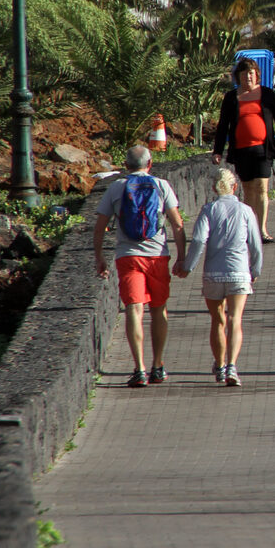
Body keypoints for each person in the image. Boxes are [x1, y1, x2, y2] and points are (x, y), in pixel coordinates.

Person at [93, 144, 187, 388]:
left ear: (126, 166)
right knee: (159, 309)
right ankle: (158, 365)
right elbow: (177, 225)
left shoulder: (116, 187)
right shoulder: (162, 185)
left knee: (134, 310)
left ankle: (140, 369)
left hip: (128, 256)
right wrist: (182, 257)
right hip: (158, 257)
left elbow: (100, 225)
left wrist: (99, 256)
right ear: (150, 163)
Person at [179, 167, 263, 387]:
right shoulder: (245, 211)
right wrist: (255, 270)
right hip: (238, 272)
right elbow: (255, 245)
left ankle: (220, 364)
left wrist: (188, 266)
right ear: (234, 187)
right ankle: (232, 366)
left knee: (217, 320)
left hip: (213, 274)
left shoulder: (208, 210)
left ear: (215, 188)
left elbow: (198, 241)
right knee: (235, 319)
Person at [212, 57, 275, 242]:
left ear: (257, 75)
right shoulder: (231, 97)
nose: (248, 76)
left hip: (263, 149)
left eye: (251, 73)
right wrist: (217, 150)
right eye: (245, 73)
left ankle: (262, 230)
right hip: (241, 151)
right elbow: (223, 126)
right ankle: (249, 228)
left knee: (262, 188)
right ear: (238, 76)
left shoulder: (268, 94)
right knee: (248, 190)